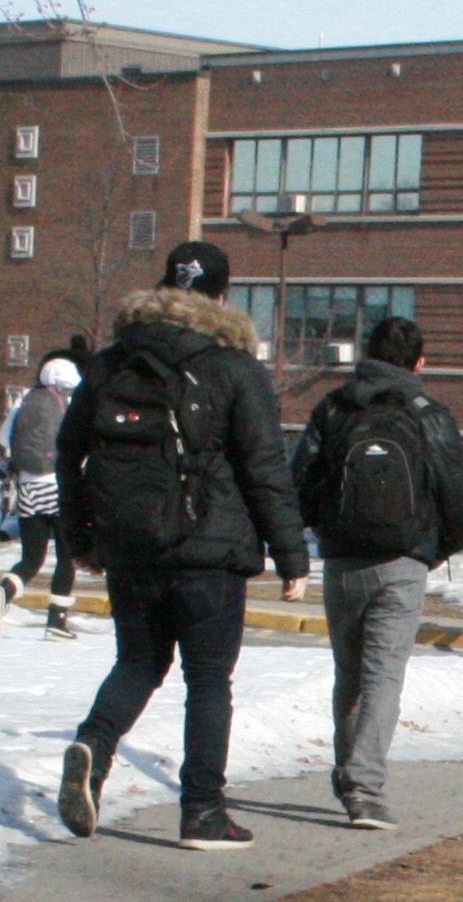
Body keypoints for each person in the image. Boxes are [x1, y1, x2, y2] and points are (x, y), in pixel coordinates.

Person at [51, 240, 308, 851]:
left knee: (138, 663)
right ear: (221, 296)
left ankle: (95, 744)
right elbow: (264, 467)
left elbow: (67, 454)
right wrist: (291, 554)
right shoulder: (234, 366)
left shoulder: (111, 364)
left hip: (130, 545)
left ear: (162, 288)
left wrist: (81, 535)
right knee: (208, 681)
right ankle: (202, 814)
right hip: (208, 551)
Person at [291, 315, 463, 830]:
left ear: (365, 356)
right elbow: (457, 493)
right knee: (383, 679)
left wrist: (313, 532)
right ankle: (365, 790)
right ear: (419, 362)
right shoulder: (429, 414)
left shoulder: (333, 408)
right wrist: (439, 548)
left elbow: (301, 480)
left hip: (344, 561)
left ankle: (350, 773)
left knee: (350, 676)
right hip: (404, 562)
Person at [0, 349, 82, 639]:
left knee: (32, 558)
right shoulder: (69, 404)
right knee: (67, 558)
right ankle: (56, 622)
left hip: (28, 489)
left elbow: (4, 439)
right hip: (58, 486)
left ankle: (4, 591)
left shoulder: (24, 401)